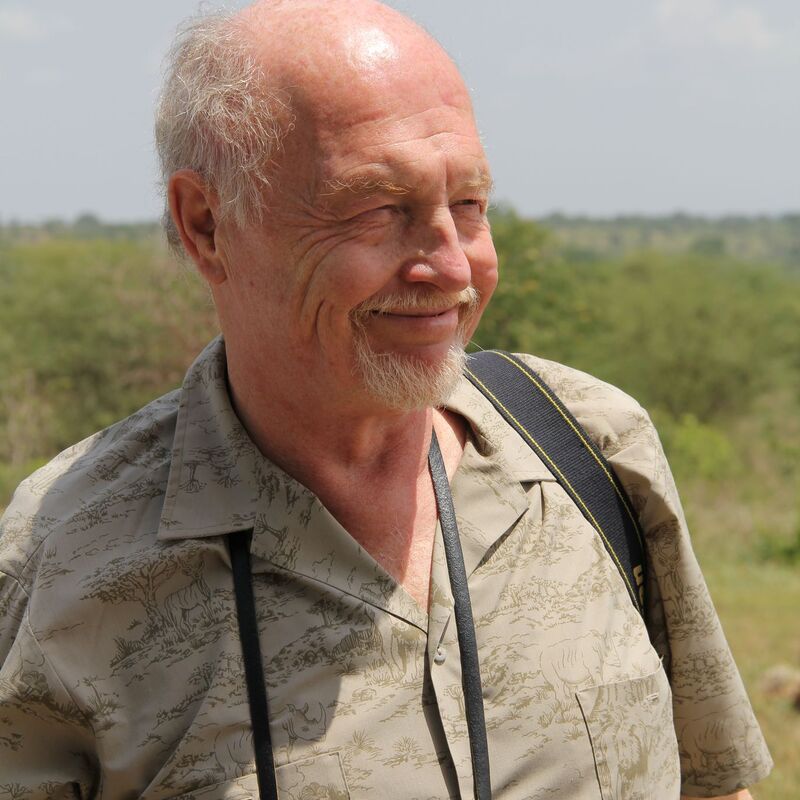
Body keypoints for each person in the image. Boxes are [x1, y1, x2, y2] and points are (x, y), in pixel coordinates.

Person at [0, 1, 772, 798]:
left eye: (469, 205)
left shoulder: (591, 452)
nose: (452, 267)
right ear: (206, 224)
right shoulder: (67, 563)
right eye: (378, 209)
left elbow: (712, 785)